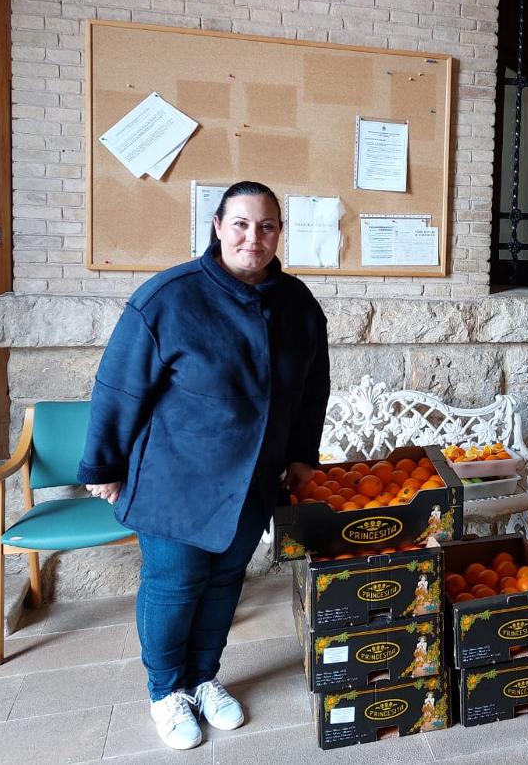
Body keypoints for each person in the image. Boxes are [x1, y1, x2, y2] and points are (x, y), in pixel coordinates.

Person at [78, 181, 330, 751]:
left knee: (223, 584)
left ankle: (203, 677)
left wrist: (300, 457)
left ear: (278, 235)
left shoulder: (297, 304)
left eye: (266, 226)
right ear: (217, 226)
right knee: (174, 585)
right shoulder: (169, 297)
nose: (253, 237)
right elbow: (119, 386)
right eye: (240, 224)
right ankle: (167, 691)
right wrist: (104, 464)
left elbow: (312, 387)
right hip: (176, 478)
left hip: (253, 479)